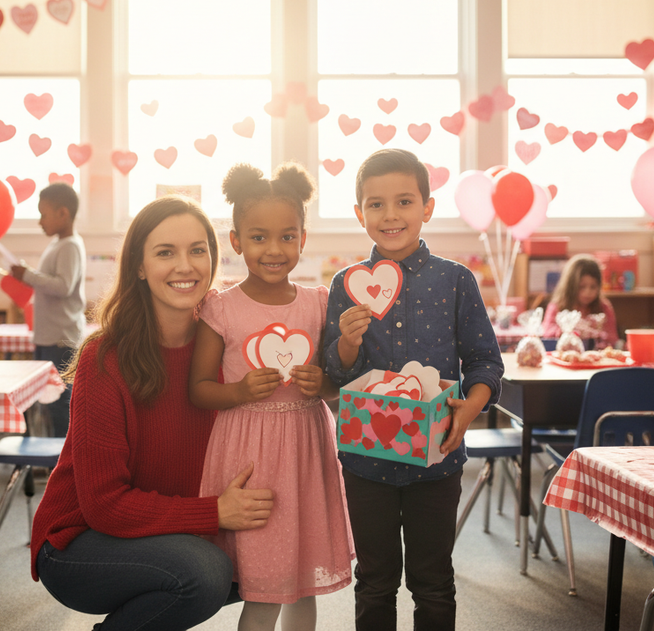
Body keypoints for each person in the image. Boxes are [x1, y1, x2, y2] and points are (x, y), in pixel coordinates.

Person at [30, 195, 274, 631]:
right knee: (205, 574)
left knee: (263, 559)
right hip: (78, 543)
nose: (186, 266)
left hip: (159, 528)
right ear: (139, 267)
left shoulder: (228, 346)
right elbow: (104, 505)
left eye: (198, 250)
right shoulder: (104, 357)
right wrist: (213, 512)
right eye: (166, 252)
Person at [323, 148, 504, 631]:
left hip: (437, 459)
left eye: (404, 201)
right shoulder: (345, 284)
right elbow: (336, 374)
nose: (390, 215)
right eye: (376, 204)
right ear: (360, 214)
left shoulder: (456, 280)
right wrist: (346, 342)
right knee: (375, 581)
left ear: (427, 208)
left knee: (433, 582)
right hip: (367, 464)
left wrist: (468, 412)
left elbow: (486, 362)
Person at [189, 163, 354, 631]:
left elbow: (335, 386)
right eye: (259, 238)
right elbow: (198, 389)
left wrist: (318, 382)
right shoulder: (220, 307)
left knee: (303, 575)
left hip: (306, 450)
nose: (274, 250)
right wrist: (239, 390)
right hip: (251, 457)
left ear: (303, 239)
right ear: (237, 240)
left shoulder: (319, 303)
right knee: (264, 580)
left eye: (287, 237)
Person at [10, 182, 86, 437]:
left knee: (60, 404)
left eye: (43, 214)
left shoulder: (70, 246)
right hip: (49, 337)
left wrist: (28, 275)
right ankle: (52, 456)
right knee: (48, 400)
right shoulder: (58, 244)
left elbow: (63, 286)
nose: (40, 221)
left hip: (60, 340)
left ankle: (63, 459)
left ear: (63, 213)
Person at [541, 253, 619, 348]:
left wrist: (597, 334)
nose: (588, 292)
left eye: (593, 287)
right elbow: (546, 334)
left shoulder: (603, 307)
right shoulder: (557, 306)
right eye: (582, 287)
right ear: (570, 286)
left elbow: (613, 339)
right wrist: (565, 331)